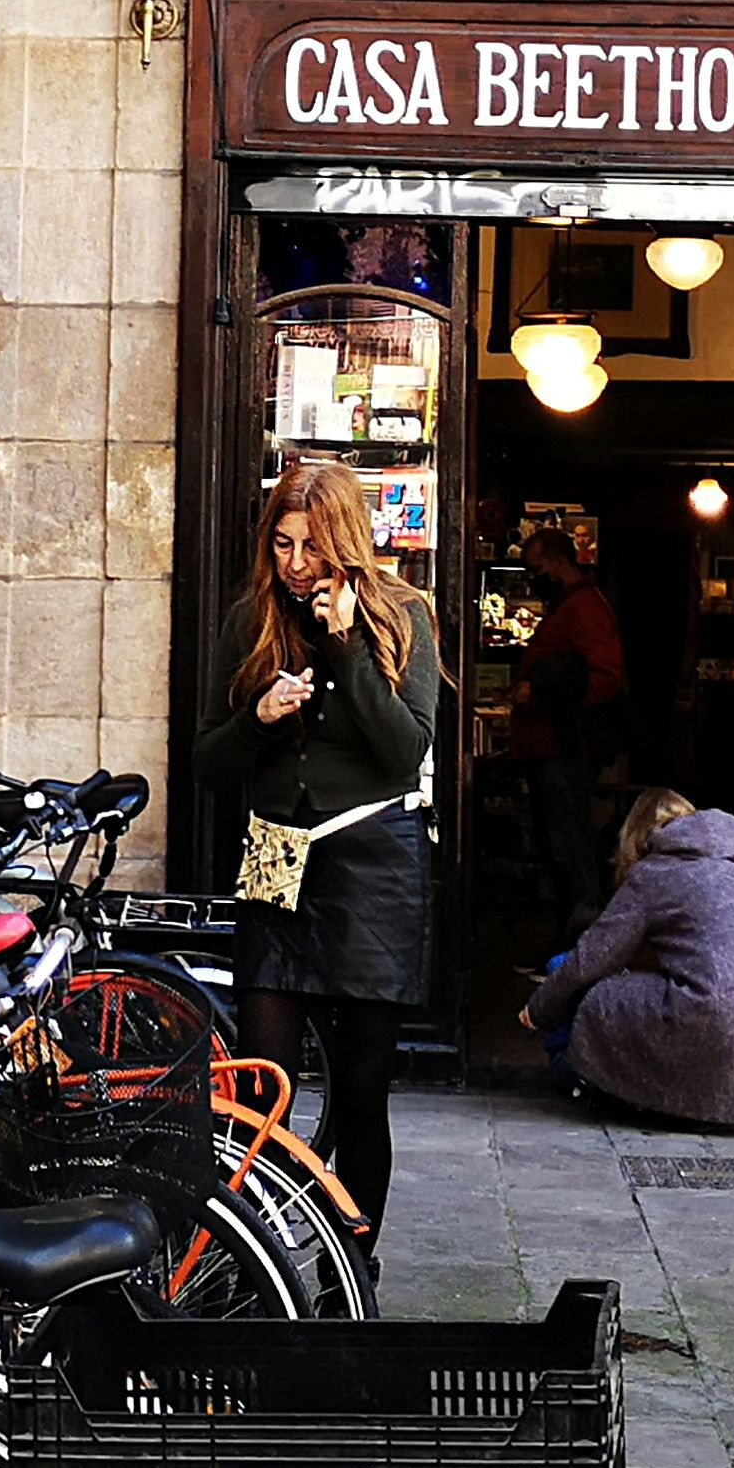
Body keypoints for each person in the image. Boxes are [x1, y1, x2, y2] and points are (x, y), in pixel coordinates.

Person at [194, 458, 441, 1241]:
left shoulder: (404, 616)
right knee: (262, 1085)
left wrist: (345, 649)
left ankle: (354, 1263)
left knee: (364, 1088)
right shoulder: (253, 621)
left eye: (311, 547)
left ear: (346, 543)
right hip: (275, 856)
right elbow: (206, 763)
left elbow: (405, 752)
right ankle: (252, 1252)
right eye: (282, 546)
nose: (296, 565)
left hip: (373, 867)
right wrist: (257, 718)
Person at [525, 787, 734, 1133]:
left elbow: (592, 957)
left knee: (601, 999)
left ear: (636, 838)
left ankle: (622, 1090)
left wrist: (539, 1010)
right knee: (718, 1010)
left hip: (718, 1005)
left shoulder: (653, 871)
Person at [510, 527, 625, 928]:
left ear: (559, 563)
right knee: (561, 848)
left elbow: (606, 676)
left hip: (564, 746)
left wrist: (542, 694)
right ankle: (571, 943)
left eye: (535, 568)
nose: (530, 576)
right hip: (550, 746)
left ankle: (583, 945)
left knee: (570, 850)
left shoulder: (583, 608)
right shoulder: (568, 606)